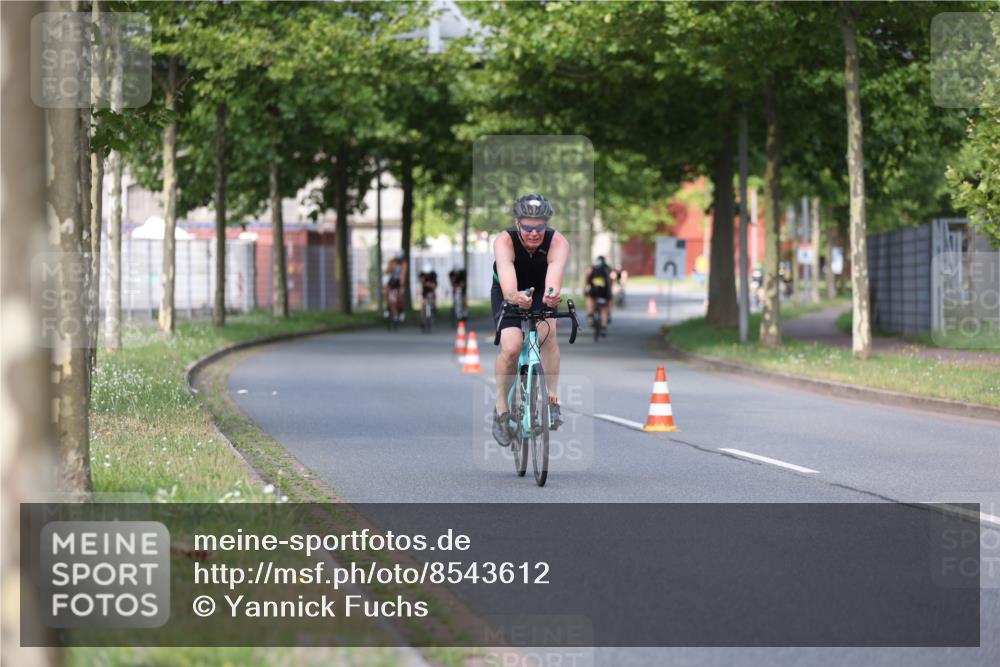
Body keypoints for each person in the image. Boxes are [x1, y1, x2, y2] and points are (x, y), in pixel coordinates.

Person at [491, 193, 570, 447]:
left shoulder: (558, 242)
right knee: (512, 347)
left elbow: (553, 279)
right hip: (509, 290)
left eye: (540, 227)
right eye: (527, 227)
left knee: (548, 334)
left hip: (540, 289)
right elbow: (508, 285)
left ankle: (552, 401)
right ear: (517, 224)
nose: (534, 233)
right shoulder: (504, 241)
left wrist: (551, 296)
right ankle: (501, 409)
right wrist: (516, 298)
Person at [585, 256, 612, 333]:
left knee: (590, 299)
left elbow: (586, 281)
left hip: (593, 291)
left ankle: (590, 317)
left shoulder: (590, 269)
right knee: (604, 308)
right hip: (604, 292)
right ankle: (604, 326)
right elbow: (610, 282)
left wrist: (585, 289)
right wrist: (609, 292)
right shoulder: (607, 269)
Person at [384, 250, 407, 321]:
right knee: (386, 292)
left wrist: (401, 286)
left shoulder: (404, 263)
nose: (398, 260)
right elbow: (386, 271)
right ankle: (388, 308)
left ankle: (401, 311)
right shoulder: (392, 262)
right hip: (392, 280)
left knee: (401, 296)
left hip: (399, 282)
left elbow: (403, 275)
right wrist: (391, 268)